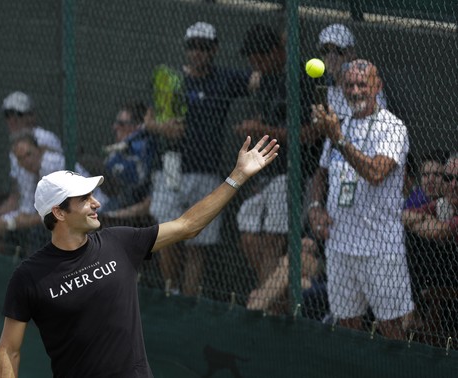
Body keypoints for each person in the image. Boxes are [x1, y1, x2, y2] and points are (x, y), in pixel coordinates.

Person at [0, 135, 279, 378]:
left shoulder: (120, 242)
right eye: (84, 199)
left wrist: (238, 176)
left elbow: (187, 226)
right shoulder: (29, 276)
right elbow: (8, 349)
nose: (96, 203)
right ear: (58, 212)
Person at [144, 21, 259, 296]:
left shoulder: (224, 79)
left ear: (215, 49)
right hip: (171, 168)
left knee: (197, 242)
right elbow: (148, 121)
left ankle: (188, 300)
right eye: (193, 46)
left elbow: (258, 79)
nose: (198, 52)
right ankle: (171, 293)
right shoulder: (171, 80)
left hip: (206, 170)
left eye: (204, 47)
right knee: (166, 237)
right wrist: (164, 128)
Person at [308, 59, 413, 340]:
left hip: (380, 248)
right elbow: (321, 174)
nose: (355, 91)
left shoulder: (392, 127)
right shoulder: (339, 126)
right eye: (349, 85)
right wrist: (315, 207)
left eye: (362, 84)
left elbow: (376, 173)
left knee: (391, 326)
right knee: (346, 322)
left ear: (377, 86)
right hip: (340, 244)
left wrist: (340, 139)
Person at [232, 23, 321, 310]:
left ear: (275, 52)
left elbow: (309, 134)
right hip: (265, 171)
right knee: (248, 236)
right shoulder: (267, 78)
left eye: (259, 59)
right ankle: (273, 299)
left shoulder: (301, 78)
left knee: (272, 240)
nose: (255, 65)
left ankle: (267, 305)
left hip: (294, 173)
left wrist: (263, 128)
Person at [402, 154, 458, 346]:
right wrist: (427, 223)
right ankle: (411, 307)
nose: (454, 184)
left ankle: (411, 308)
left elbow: (442, 232)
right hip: (434, 276)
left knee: (417, 239)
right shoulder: (443, 204)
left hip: (451, 282)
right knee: (412, 239)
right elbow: (403, 216)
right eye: (449, 178)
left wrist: (424, 223)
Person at [98, 101, 156, 226]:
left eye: (121, 124)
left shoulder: (147, 153)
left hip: (137, 219)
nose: (115, 127)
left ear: (137, 127)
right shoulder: (115, 155)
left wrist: (115, 216)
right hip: (112, 206)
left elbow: (149, 202)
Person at [317, 23, 387, 121]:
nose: (331, 57)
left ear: (351, 53)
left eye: (338, 51)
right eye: (325, 51)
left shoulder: (366, 85)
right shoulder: (327, 84)